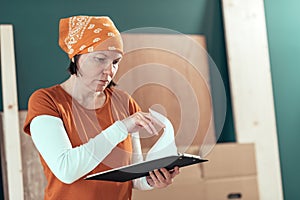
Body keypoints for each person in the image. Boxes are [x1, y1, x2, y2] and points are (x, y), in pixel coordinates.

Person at [23, 15, 180, 200]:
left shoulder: (124, 102)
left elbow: (132, 175)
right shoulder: (46, 101)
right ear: (75, 58)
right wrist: (122, 128)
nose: (109, 71)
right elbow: (67, 170)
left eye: (115, 62)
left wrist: (151, 180)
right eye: (100, 59)